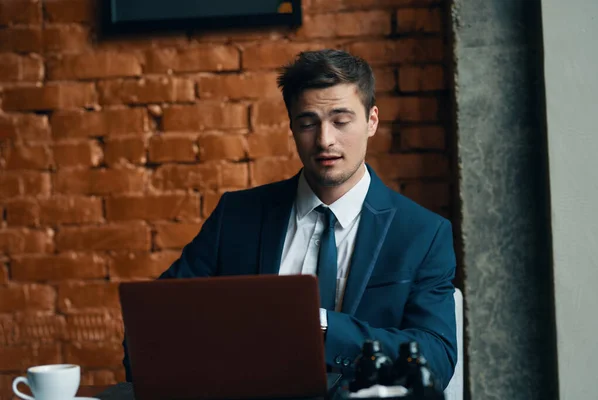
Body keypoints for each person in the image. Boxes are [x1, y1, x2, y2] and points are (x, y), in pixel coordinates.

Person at [122, 49, 457, 389]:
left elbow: (437, 357)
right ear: (293, 127)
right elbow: (152, 323)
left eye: (341, 121)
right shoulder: (236, 217)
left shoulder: (423, 234)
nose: (325, 140)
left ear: (372, 121)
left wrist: (321, 325)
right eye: (308, 123)